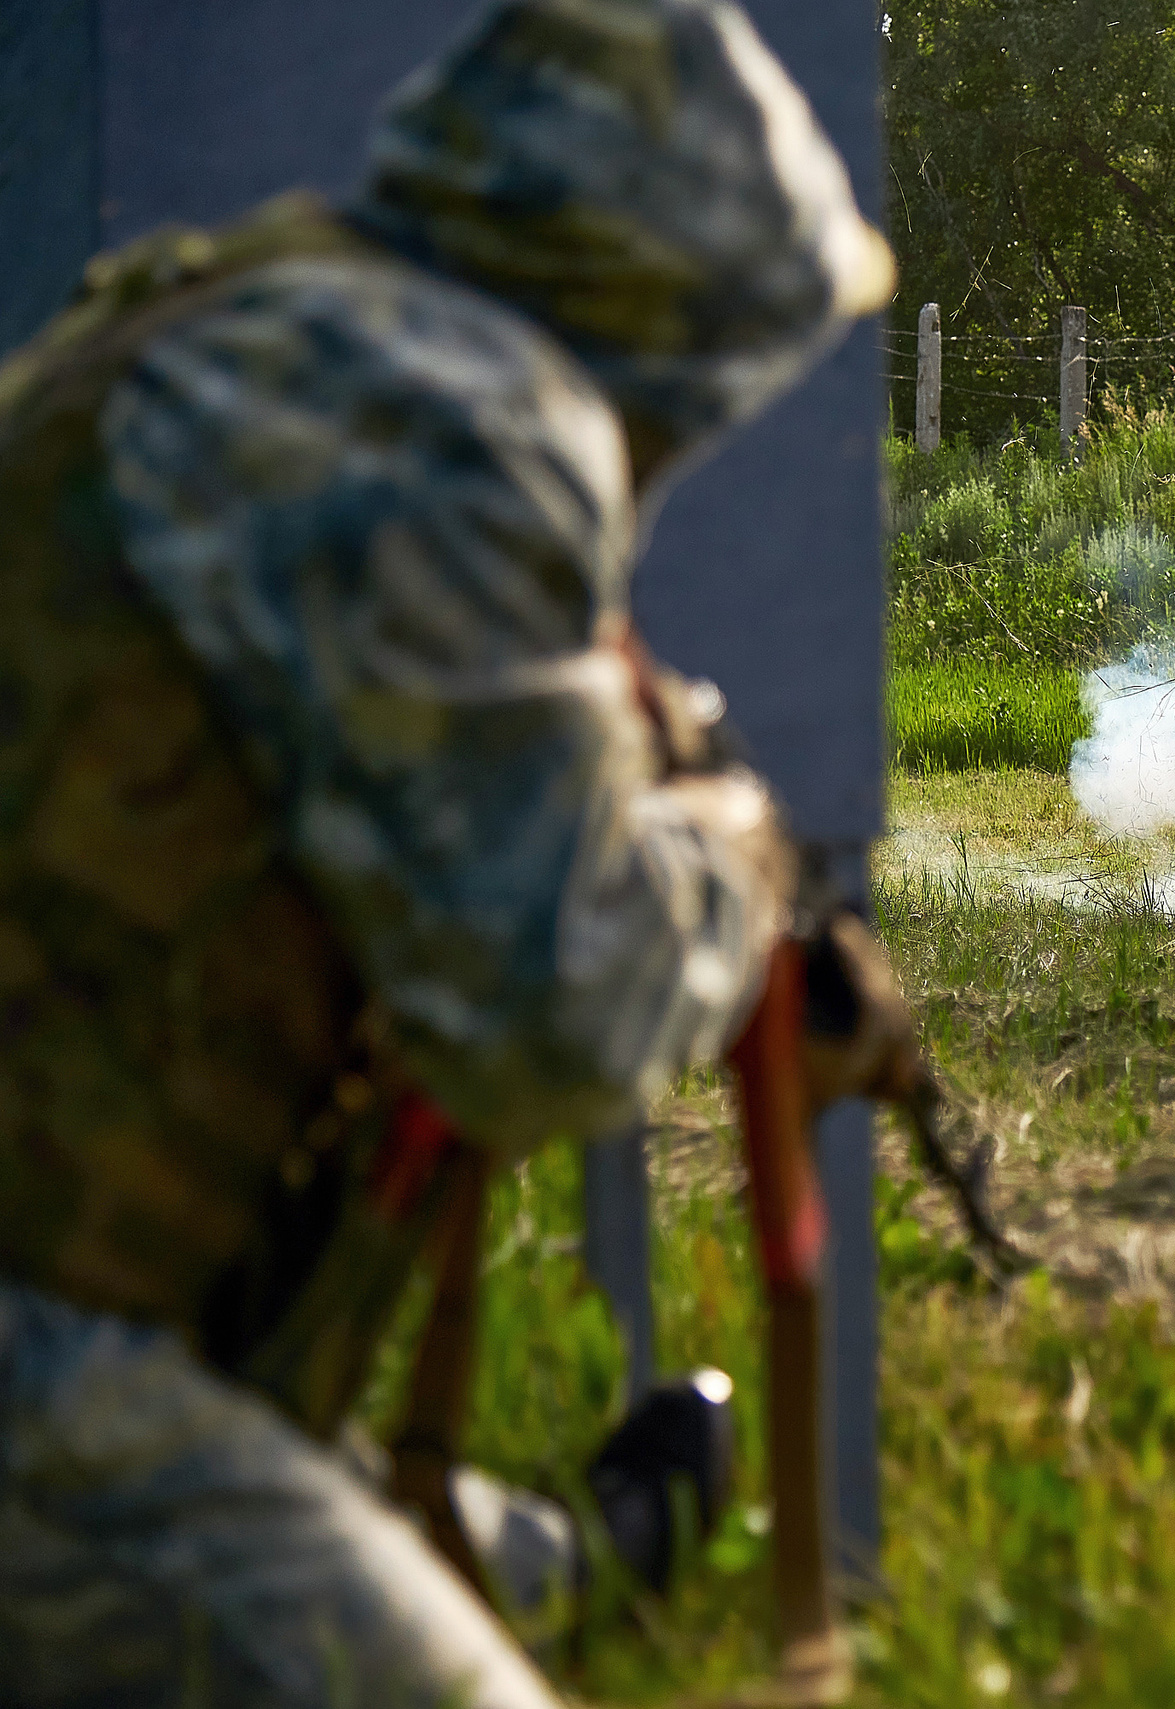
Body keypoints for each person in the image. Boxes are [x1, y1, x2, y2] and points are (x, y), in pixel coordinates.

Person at [0, 0, 914, 1703]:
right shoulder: (448, 413)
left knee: (410, 1541)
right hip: (48, 1357)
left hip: (124, 1311)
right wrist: (736, 861)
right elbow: (545, 1008)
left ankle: (562, 1551)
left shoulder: (236, 318)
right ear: (659, 315)